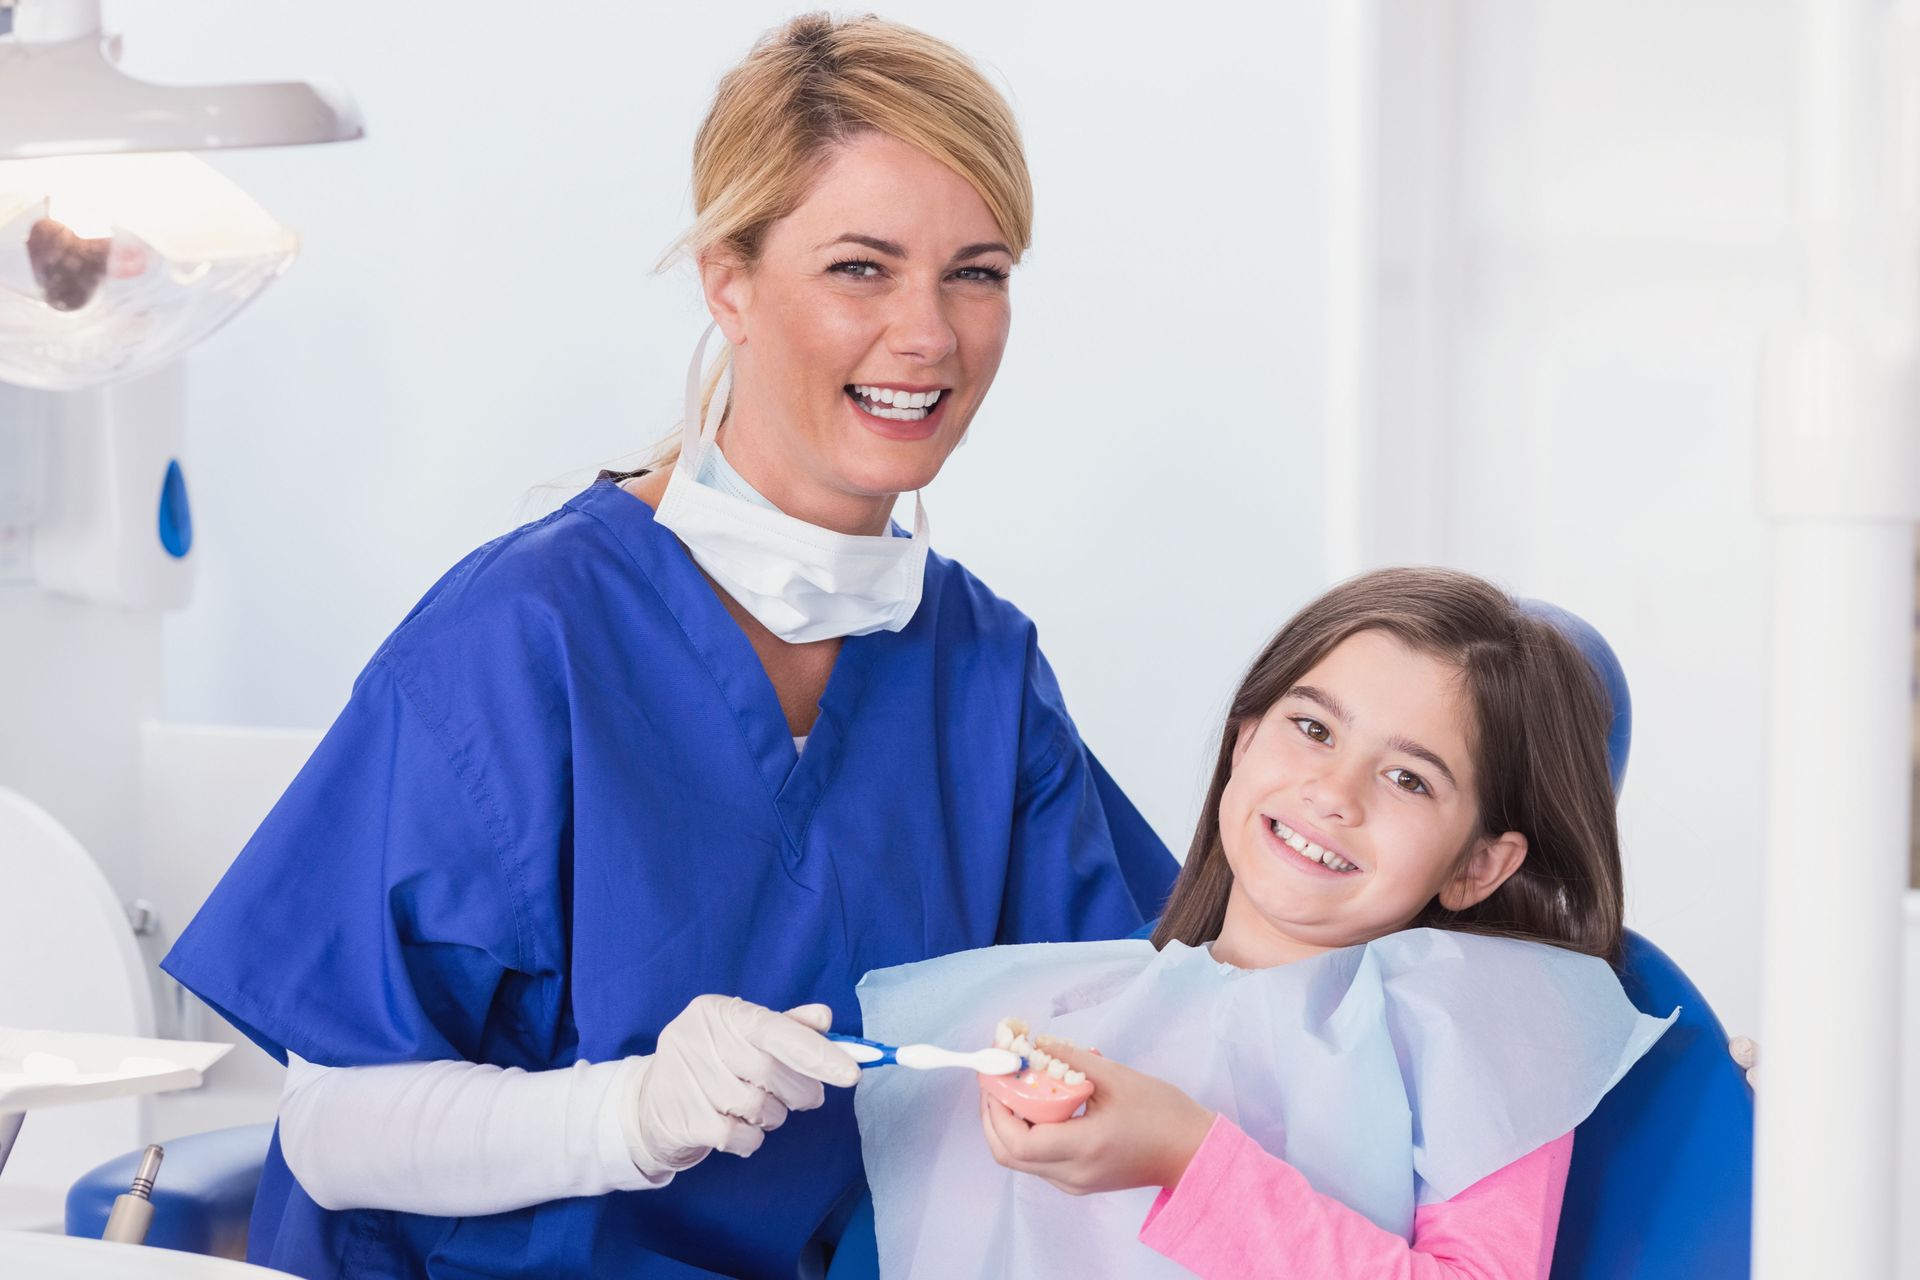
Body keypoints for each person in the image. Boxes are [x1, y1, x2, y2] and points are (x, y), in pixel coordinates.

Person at [160, 14, 1174, 1279]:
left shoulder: (981, 670)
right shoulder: (529, 637)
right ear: (728, 278)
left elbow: (1141, 1024)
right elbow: (329, 1129)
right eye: (861, 266)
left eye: (978, 271)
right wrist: (631, 1114)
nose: (930, 334)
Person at [853, 568, 1671, 1278]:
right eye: (1312, 729)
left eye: (1409, 779)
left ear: (1478, 866)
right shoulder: (1066, 1013)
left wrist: (1187, 1156)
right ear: (1243, 742)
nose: (1334, 793)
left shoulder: (1487, 1036)